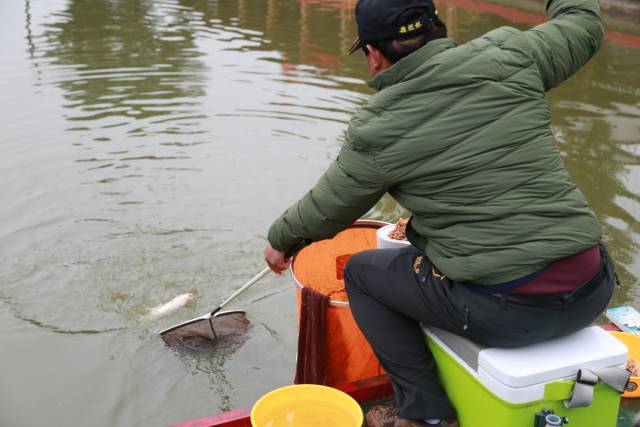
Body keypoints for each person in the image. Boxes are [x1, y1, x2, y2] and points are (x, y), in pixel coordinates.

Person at [264, 0, 614, 426]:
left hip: (510, 315)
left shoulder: (379, 127)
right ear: (438, 28)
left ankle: (426, 416)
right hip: (592, 287)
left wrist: (280, 241)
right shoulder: (511, 56)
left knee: (364, 273)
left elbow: (325, 210)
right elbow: (583, 21)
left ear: (374, 54)